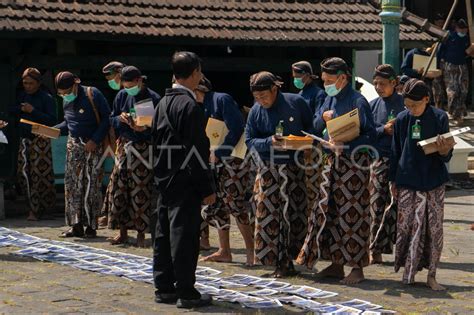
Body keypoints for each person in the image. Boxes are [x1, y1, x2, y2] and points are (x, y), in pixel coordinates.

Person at [297, 57, 376, 285]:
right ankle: (336, 263)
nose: (326, 84)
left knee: (352, 216)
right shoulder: (328, 99)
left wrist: (347, 145)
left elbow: (371, 135)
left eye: (330, 80)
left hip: (354, 167)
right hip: (330, 162)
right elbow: (315, 126)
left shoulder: (358, 101)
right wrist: (323, 118)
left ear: (343, 78)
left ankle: (357, 268)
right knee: (330, 213)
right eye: (324, 80)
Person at [152, 51, 216, 308]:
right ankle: (186, 292)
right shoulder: (189, 105)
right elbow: (197, 151)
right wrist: (207, 186)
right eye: (199, 72)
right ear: (193, 74)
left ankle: (164, 287)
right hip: (186, 179)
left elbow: (155, 143)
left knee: (163, 234)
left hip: (165, 176)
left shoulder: (162, 103)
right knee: (184, 237)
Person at [245, 71, 313, 277]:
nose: (260, 100)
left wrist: (307, 144)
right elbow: (249, 140)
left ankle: (290, 261)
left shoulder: (297, 102)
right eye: (256, 97)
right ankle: (276, 262)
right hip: (268, 169)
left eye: (264, 96)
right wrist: (268, 142)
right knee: (269, 215)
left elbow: (310, 128)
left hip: (295, 168)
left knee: (294, 214)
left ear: (275, 89)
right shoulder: (255, 111)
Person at [390, 78, 454, 291]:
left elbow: (446, 154)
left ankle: (432, 275)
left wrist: (444, 150)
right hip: (407, 179)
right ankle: (408, 274)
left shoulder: (439, 117)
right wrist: (393, 180)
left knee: (434, 230)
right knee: (407, 227)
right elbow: (396, 151)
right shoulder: (401, 119)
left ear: (426, 99)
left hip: (433, 180)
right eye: (407, 106)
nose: (411, 109)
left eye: (415, 105)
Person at [195, 76, 255, 266]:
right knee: (218, 203)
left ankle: (251, 250)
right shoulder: (199, 106)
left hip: (234, 159)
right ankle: (224, 250)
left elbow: (236, 127)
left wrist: (220, 151)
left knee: (234, 203)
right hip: (216, 160)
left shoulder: (221, 99)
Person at [104, 66, 160, 247]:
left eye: (130, 85)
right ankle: (122, 232)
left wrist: (144, 128)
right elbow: (111, 118)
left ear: (139, 81)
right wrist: (120, 118)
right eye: (125, 85)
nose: (128, 89)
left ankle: (142, 234)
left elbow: (160, 126)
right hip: (124, 145)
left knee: (140, 190)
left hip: (144, 148)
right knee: (120, 188)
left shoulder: (153, 97)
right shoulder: (122, 96)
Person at [54, 71, 110, 238]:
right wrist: (52, 130)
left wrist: (95, 139)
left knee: (91, 186)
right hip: (74, 146)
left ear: (75, 84)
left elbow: (107, 119)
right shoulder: (66, 100)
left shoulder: (93, 94)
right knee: (72, 187)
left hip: (93, 146)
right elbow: (69, 122)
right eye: (60, 93)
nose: (64, 95)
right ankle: (75, 225)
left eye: (66, 92)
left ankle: (91, 227)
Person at [368, 64, 405, 264]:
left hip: (402, 161)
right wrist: (383, 129)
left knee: (402, 207)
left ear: (394, 83)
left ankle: (404, 250)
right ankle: (375, 249)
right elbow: (366, 131)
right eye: (375, 83)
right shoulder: (372, 105)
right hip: (379, 160)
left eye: (382, 83)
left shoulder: (405, 104)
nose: (378, 87)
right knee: (377, 204)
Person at [8, 68, 56, 221]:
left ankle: (40, 209)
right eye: (25, 83)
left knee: (40, 176)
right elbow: (12, 110)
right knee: (24, 174)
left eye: (31, 83)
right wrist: (21, 109)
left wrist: (32, 111)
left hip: (40, 141)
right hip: (24, 140)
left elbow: (51, 120)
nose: (27, 86)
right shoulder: (21, 95)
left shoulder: (46, 98)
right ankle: (31, 208)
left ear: (38, 83)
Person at [292, 61, 327, 219]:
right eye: (294, 77)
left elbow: (319, 121)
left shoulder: (319, 94)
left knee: (313, 186)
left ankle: (315, 221)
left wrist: (309, 141)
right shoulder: (298, 96)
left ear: (307, 75)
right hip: (298, 144)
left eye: (298, 76)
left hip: (312, 145)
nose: (296, 79)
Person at [98, 61, 125, 228]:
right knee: (114, 181)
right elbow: (112, 118)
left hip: (137, 144)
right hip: (119, 142)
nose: (110, 80)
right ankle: (108, 215)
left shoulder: (137, 93)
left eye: (111, 76)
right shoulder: (120, 95)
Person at [439, 18, 472, 124]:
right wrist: (440, 64)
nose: (463, 31)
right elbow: (440, 50)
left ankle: (460, 111)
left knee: (463, 90)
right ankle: (455, 113)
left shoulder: (467, 38)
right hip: (450, 65)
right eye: (461, 29)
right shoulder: (449, 36)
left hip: (462, 66)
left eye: (464, 29)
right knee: (453, 91)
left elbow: (467, 52)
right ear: (457, 28)